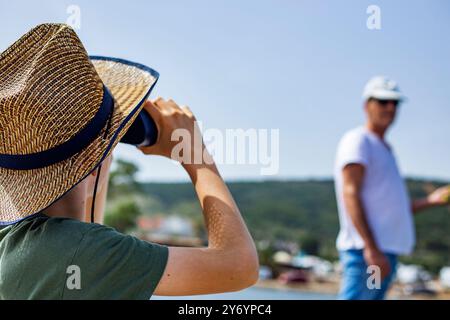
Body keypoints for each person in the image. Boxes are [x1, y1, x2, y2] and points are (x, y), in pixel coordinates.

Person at [0, 23, 259, 299]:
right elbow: (238, 266)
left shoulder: (17, 243)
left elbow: (85, 232)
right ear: (91, 160)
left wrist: (100, 153)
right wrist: (195, 155)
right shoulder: (84, 251)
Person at [334, 76, 450, 300]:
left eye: (395, 103)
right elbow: (350, 193)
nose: (390, 107)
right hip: (368, 253)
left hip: (384, 252)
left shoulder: (385, 149)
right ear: (367, 105)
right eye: (383, 101)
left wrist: (431, 201)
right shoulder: (358, 140)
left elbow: (394, 208)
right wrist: (372, 249)